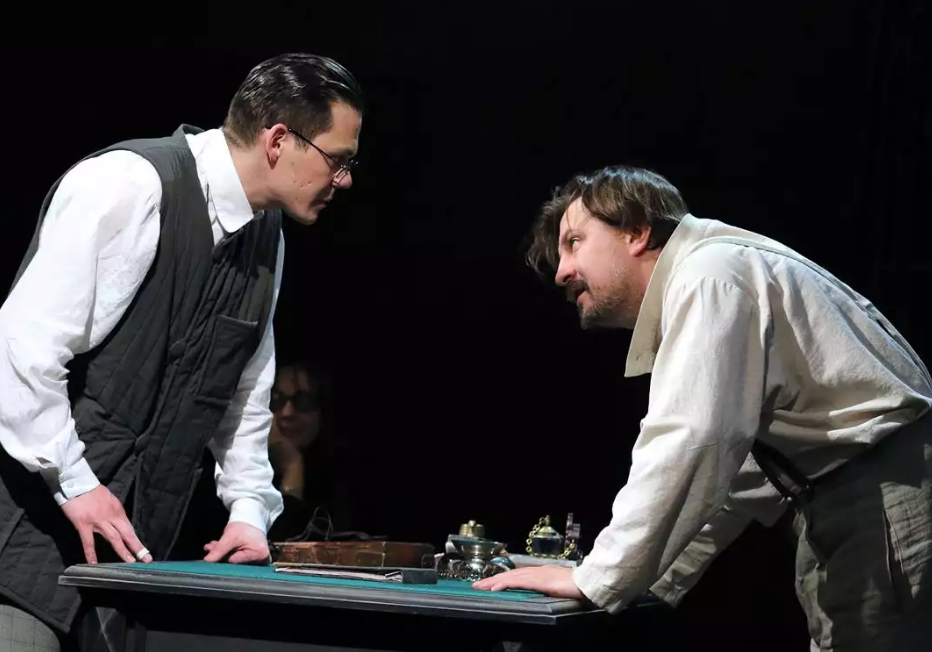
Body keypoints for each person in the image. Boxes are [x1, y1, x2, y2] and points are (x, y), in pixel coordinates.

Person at [473, 165, 932, 651]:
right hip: (850, 499)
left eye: (575, 242)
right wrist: (641, 577)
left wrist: (600, 576)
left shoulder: (708, 276)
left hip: (882, 495)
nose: (561, 272)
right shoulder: (717, 270)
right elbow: (732, 475)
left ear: (636, 232)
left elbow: (689, 438)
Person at [0, 53, 363, 651]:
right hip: (25, 552)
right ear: (278, 140)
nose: (344, 180)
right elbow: (23, 350)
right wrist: (76, 482)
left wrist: (248, 509)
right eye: (338, 159)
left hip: (129, 568)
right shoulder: (130, 184)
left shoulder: (267, 238)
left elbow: (244, 394)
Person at [266, 359, 354, 540]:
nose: (287, 413)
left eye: (303, 402)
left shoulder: (346, 477)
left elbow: (289, 545)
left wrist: (292, 467)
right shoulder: (241, 470)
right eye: (276, 400)